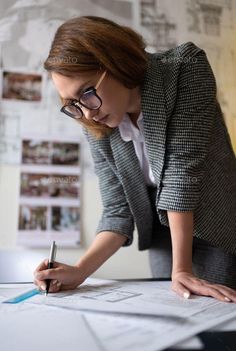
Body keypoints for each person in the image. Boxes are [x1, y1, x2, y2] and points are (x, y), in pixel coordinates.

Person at [34, 16, 236, 302]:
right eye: (73, 105)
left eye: (87, 93)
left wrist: (182, 269)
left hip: (219, 224)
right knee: (175, 319)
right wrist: (80, 271)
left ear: (115, 62)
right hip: (164, 232)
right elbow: (118, 209)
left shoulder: (184, 68)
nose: (87, 113)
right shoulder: (96, 123)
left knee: (218, 327)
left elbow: (181, 174)